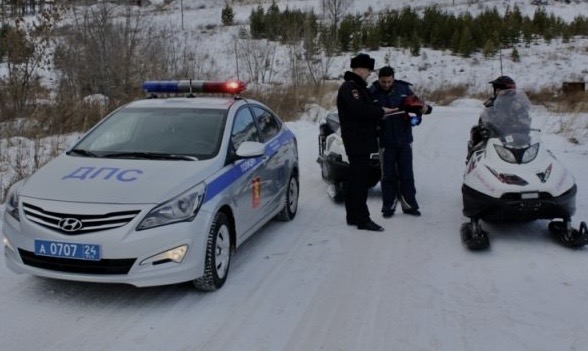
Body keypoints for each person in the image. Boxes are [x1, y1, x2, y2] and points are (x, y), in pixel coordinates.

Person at [337, 53, 395, 232]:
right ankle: (363, 218)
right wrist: (380, 112)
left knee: (355, 179)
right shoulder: (350, 88)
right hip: (356, 140)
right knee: (360, 180)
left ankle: (353, 215)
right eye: (368, 70)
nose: (369, 73)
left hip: (360, 139)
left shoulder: (358, 87)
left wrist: (378, 113)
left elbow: (365, 108)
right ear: (360, 69)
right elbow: (359, 110)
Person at [370, 66, 432, 218]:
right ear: (379, 79)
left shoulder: (404, 88)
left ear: (393, 78)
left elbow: (420, 106)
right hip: (385, 141)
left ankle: (409, 205)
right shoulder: (371, 92)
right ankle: (388, 207)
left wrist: (423, 110)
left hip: (404, 139)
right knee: (387, 175)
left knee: (407, 174)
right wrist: (377, 116)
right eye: (383, 81)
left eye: (389, 81)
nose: (386, 84)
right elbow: (366, 113)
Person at [467, 75, 532, 160]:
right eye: (497, 90)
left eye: (499, 90)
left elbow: (525, 121)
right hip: (495, 139)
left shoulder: (518, 106)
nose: (497, 92)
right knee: (475, 132)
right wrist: (485, 130)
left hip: (516, 139)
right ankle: (472, 162)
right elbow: (484, 120)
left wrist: (523, 126)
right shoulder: (491, 105)